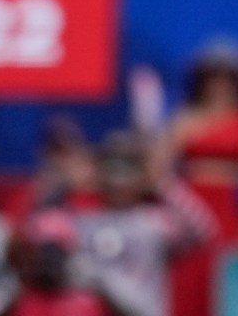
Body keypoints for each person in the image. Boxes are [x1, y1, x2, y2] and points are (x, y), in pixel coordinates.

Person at [164, 41, 238, 316]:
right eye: (213, 75)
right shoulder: (185, 118)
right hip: (192, 211)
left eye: (228, 76)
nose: (219, 83)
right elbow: (159, 168)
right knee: (189, 282)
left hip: (235, 209)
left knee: (231, 288)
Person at [69, 133, 214, 316]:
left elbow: (202, 230)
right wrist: (67, 185)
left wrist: (162, 183)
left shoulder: (156, 221)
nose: (119, 182)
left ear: (142, 177)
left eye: (129, 170)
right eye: (111, 169)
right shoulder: (83, 221)